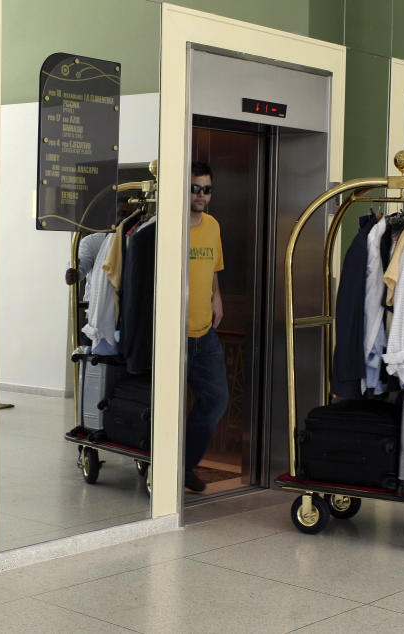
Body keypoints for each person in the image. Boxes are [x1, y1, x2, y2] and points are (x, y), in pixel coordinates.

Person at [184, 161, 229, 492]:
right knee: (165, 404)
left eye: (206, 189)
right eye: (194, 188)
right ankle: (169, 466)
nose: (200, 195)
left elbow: (213, 267)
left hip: (205, 332)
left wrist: (217, 297)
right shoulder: (170, 226)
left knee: (215, 400)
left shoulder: (212, 225)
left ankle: (183, 465)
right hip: (174, 334)